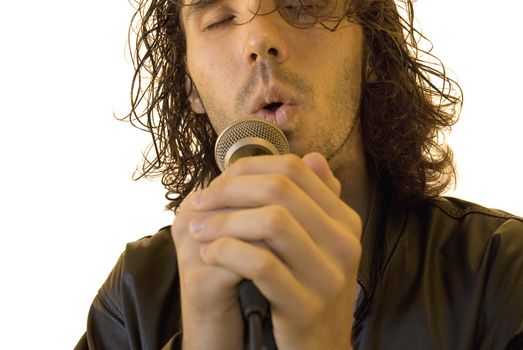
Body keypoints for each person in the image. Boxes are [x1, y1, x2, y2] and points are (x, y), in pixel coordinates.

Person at [75, 0, 523, 349]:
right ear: (190, 85)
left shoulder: (502, 274)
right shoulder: (132, 301)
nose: (260, 39)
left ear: (371, 49)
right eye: (218, 18)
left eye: (301, 3)